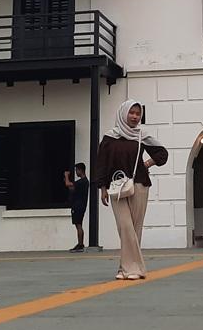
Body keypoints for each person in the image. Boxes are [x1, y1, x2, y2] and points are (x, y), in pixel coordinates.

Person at [93, 100, 168, 280]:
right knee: (125, 227)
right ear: (123, 113)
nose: (135, 117)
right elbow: (101, 164)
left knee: (135, 228)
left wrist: (147, 163)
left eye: (138, 114)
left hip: (139, 185)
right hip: (116, 186)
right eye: (132, 113)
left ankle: (125, 269)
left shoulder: (142, 135)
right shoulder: (109, 138)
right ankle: (134, 268)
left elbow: (162, 154)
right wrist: (102, 187)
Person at [63, 163, 89, 252]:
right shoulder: (84, 182)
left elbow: (68, 184)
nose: (76, 172)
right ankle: (80, 243)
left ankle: (80, 244)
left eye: (77, 170)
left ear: (80, 170)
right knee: (79, 225)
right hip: (81, 205)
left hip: (78, 206)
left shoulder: (82, 181)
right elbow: (72, 189)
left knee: (78, 225)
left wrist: (66, 176)